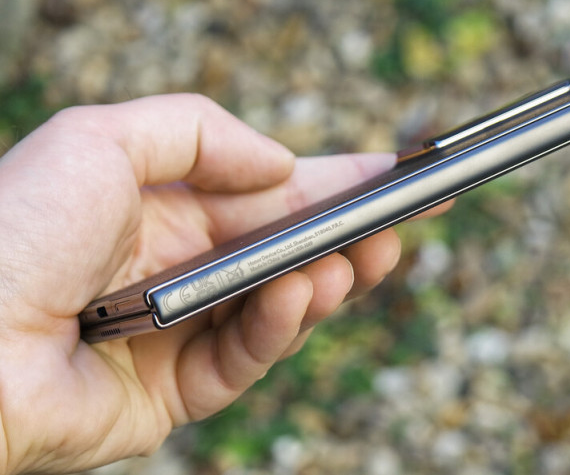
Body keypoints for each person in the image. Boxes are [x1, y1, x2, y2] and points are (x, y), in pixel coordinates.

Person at [0, 93, 448, 475]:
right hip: (100, 342)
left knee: (305, 287)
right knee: (305, 286)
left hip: (89, 357)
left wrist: (12, 418)